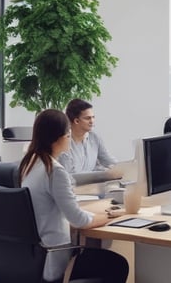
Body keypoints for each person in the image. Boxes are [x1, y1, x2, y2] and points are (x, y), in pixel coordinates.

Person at [19, 109, 129, 283]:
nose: (70, 138)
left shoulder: (30, 163)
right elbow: (79, 220)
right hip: (55, 256)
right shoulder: (55, 171)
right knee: (118, 264)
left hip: (36, 255)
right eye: (68, 134)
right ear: (58, 138)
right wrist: (114, 216)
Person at [57, 99, 117, 173]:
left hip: (91, 180)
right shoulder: (64, 141)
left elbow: (109, 161)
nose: (92, 121)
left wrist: (125, 168)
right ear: (76, 121)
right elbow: (67, 174)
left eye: (93, 117)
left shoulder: (95, 137)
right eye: (88, 118)